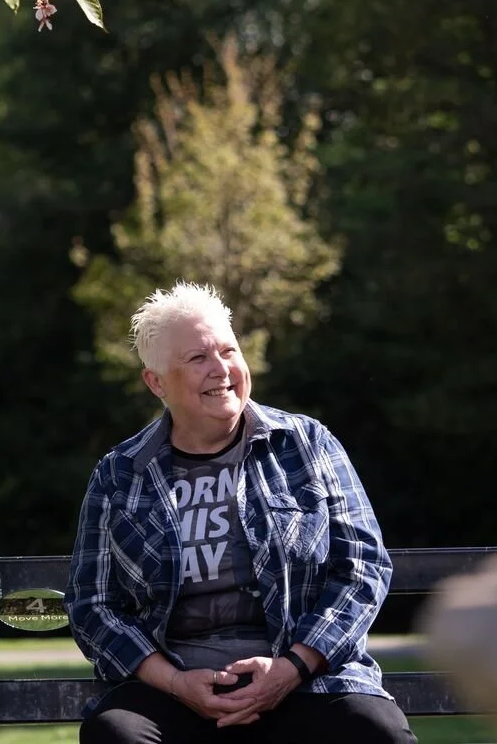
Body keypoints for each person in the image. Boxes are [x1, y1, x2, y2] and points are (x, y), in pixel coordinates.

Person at [65, 281, 417, 744]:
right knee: (116, 735)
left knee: (376, 732)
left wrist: (291, 667)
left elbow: (362, 569)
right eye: (197, 359)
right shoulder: (121, 473)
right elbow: (93, 605)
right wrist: (175, 682)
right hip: (174, 692)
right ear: (156, 382)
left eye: (228, 351)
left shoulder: (307, 445)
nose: (221, 370)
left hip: (306, 681)